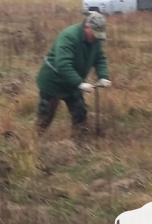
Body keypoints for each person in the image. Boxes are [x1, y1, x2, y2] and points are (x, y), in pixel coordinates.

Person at [35, 12, 111, 141]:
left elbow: (99, 58)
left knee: (80, 114)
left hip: (72, 84)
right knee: (45, 117)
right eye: (94, 34)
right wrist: (79, 83)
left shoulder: (95, 41)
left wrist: (103, 76)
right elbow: (63, 64)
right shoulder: (69, 36)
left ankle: (78, 145)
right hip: (53, 82)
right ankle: (34, 143)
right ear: (87, 27)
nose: (96, 38)